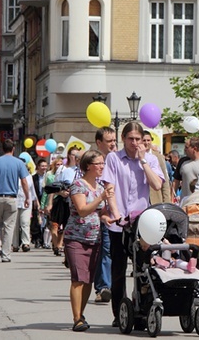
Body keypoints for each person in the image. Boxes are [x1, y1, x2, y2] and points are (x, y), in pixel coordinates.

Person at [101, 121, 165, 327]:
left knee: (143, 268)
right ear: (123, 139)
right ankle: (119, 312)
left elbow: (156, 184)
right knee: (118, 270)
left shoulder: (151, 159)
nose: (135, 143)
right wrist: (117, 214)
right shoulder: (113, 158)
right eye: (131, 139)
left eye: (138, 140)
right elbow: (109, 189)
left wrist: (143, 161)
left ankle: (142, 310)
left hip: (142, 222)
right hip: (118, 223)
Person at [63, 150, 113, 332]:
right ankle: (76, 318)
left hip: (94, 238)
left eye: (103, 163)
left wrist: (107, 217)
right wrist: (101, 198)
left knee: (89, 279)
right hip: (76, 238)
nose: (102, 167)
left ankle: (81, 314)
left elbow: (101, 212)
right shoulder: (78, 186)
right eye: (99, 163)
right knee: (78, 278)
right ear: (88, 166)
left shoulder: (99, 187)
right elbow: (83, 210)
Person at [0, 139, 31, 263]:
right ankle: (6, 255)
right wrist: (27, 197)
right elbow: (24, 182)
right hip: (11, 198)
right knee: (9, 227)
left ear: (2, 149)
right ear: (13, 149)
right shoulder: (19, 163)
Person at [93, 127, 116, 304]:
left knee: (110, 251)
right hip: (99, 212)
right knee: (104, 250)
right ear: (99, 143)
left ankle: (110, 286)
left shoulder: (119, 160)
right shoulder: (93, 162)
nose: (113, 144)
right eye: (109, 141)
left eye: (114, 140)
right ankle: (103, 287)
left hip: (118, 213)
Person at [47, 147, 80, 258]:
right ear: (69, 156)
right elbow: (54, 188)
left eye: (78, 156)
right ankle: (66, 252)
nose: (76, 158)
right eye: (74, 155)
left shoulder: (83, 171)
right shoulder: (65, 171)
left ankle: (69, 252)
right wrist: (60, 193)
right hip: (66, 203)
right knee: (66, 227)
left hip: (80, 203)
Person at [13, 154, 39, 253]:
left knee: (25, 223)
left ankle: (25, 243)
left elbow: (32, 190)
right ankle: (15, 244)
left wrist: (35, 201)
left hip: (26, 201)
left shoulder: (28, 177)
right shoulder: (13, 175)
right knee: (15, 224)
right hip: (15, 201)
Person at [143, 130, 172, 204]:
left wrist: (166, 202)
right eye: (144, 140)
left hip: (155, 199)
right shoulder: (136, 156)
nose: (146, 143)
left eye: (148, 140)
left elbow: (165, 181)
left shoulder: (158, 157)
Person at [174, 136, 199, 201]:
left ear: (194, 148)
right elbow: (176, 181)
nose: (184, 149)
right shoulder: (182, 161)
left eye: (186, 147)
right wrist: (172, 197)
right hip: (185, 201)